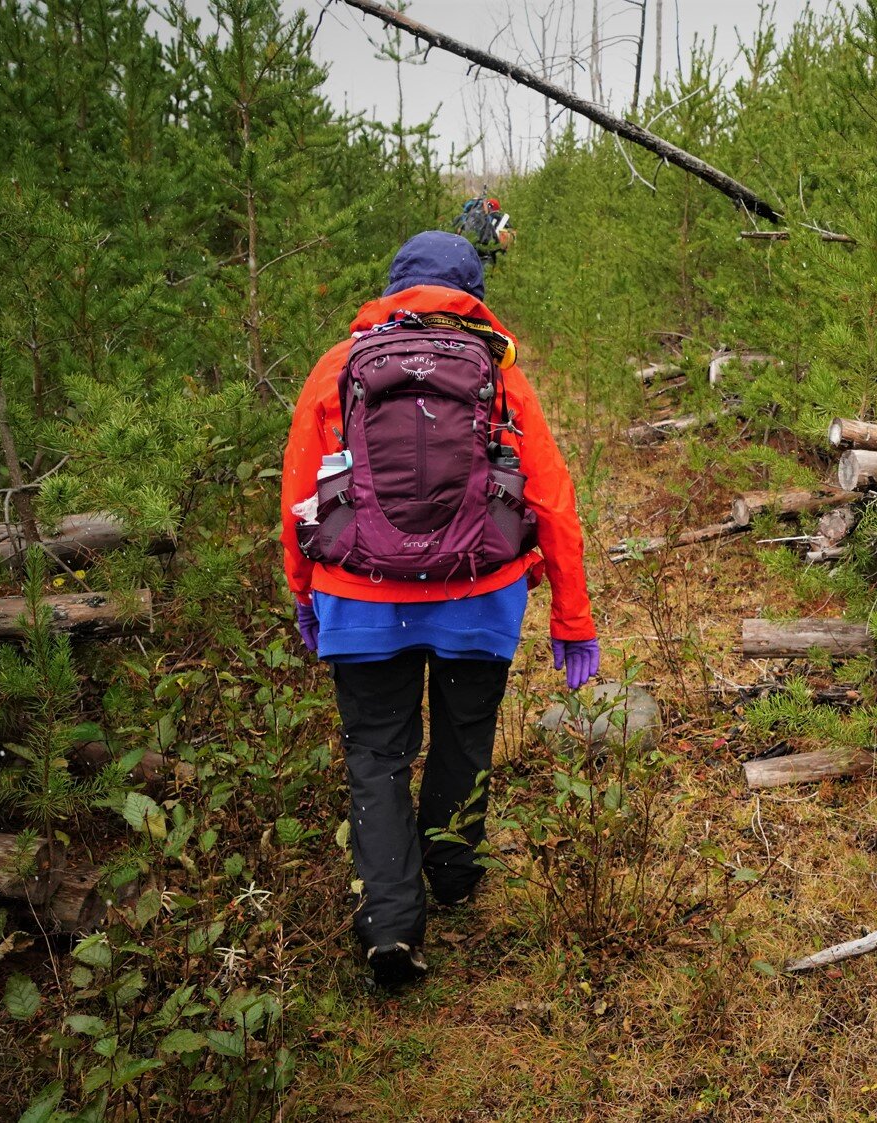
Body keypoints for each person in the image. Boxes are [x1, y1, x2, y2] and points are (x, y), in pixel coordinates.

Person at [279, 230, 600, 989]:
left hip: (357, 598)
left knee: (376, 756)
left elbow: (297, 488)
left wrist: (302, 587)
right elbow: (552, 498)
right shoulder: (496, 373)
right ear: (471, 296)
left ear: (393, 287)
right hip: (480, 596)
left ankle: (389, 924)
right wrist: (572, 615)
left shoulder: (338, 367)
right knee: (464, 732)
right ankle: (452, 873)